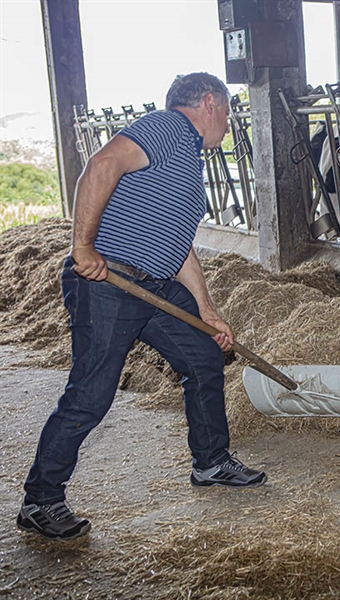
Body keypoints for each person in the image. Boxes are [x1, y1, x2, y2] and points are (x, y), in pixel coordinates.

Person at [17, 73, 266, 541]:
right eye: (229, 114)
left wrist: (207, 310)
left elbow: (179, 247)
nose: (228, 126)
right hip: (109, 281)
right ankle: (41, 499)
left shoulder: (187, 158)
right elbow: (101, 164)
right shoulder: (169, 127)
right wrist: (83, 246)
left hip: (153, 286)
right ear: (209, 103)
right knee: (91, 395)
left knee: (203, 356)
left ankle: (211, 462)